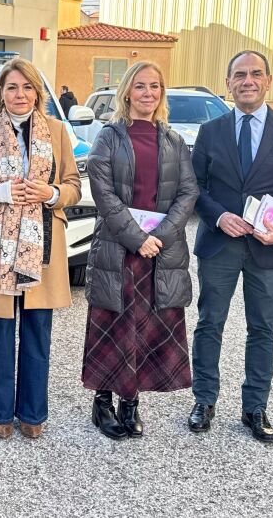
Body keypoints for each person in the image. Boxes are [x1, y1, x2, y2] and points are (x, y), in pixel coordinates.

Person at [187, 50, 273, 443]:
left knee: (263, 329)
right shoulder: (210, 132)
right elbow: (194, 188)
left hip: (268, 248)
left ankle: (255, 407)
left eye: (255, 74)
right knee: (210, 323)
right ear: (228, 83)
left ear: (268, 81)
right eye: (240, 75)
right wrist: (218, 216)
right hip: (219, 245)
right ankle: (204, 400)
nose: (248, 81)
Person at [0, 59, 81, 440]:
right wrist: (0, 191)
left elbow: (74, 186)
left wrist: (51, 193)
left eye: (27, 87)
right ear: (1, 92)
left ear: (37, 92)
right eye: (12, 87)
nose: (20, 94)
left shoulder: (57, 131)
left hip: (41, 245)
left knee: (37, 332)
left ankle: (32, 413)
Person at [81, 60, 199, 440]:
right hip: (119, 250)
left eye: (155, 86)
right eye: (141, 86)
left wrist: (159, 237)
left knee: (146, 329)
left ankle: (130, 403)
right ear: (127, 92)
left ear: (161, 93)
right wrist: (137, 238)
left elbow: (188, 192)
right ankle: (103, 403)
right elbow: (103, 193)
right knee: (113, 326)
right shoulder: (109, 137)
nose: (148, 93)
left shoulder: (173, 140)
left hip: (159, 253)